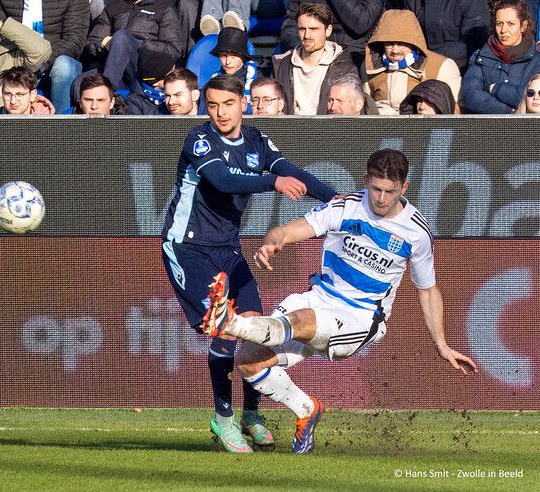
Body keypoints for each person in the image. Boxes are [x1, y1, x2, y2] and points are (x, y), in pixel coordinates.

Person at [200, 148, 478, 454]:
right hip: (320, 297)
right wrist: (272, 242)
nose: (381, 199)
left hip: (360, 318)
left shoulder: (417, 233)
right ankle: (307, 409)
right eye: (376, 189)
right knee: (248, 363)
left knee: (301, 320)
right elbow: (288, 230)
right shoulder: (345, 206)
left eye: (390, 191)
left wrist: (441, 344)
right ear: (366, 181)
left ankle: (230, 322)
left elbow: (427, 290)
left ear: (404, 188)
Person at [161, 74, 337, 453]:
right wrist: (272, 181)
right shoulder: (200, 139)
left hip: (227, 248)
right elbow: (222, 180)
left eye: (228, 103)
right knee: (224, 331)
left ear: (242, 102)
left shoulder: (256, 140)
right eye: (213, 105)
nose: (221, 112)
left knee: (255, 329)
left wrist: (340, 203)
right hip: (188, 248)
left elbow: (295, 173)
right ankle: (223, 419)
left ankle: (251, 414)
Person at [0, 0, 89, 113]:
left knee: (64, 66)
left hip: (55, 61)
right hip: (17, 61)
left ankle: (61, 123)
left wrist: (41, 63)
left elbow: (75, 40)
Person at [363, 9, 462, 115]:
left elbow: (454, 112)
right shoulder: (369, 67)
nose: (395, 51)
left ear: (413, 43)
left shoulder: (443, 66)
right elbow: (363, 105)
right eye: (389, 44)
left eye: (402, 44)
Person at [272, 2, 358, 115]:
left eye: (313, 29)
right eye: (302, 29)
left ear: (328, 30)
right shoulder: (281, 65)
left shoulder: (345, 67)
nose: (307, 35)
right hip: (289, 130)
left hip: (328, 130)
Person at [460, 0, 540, 114]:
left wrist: (495, 88)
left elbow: (532, 95)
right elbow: (471, 95)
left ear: (523, 26)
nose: (503, 30)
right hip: (487, 128)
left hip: (527, 128)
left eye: (510, 24)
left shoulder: (537, 60)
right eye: (499, 24)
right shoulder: (480, 57)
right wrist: (509, 111)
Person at [85, 0, 183, 91]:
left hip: (145, 70)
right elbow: (92, 42)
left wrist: (138, 44)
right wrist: (102, 47)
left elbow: (173, 50)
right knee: (80, 82)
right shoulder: (114, 6)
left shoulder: (164, 7)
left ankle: (107, 91)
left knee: (122, 37)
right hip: (114, 65)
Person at [280, 0, 386, 69]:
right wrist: (299, 53)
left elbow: (360, 23)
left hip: (355, 57)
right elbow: (290, 27)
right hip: (313, 57)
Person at [400, 0, 490, 73]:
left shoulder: (473, 2)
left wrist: (429, 58)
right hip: (418, 66)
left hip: (460, 69)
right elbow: (405, 32)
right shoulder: (413, 2)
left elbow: (472, 43)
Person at [209, 27, 257, 112]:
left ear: (243, 57)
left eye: (233, 56)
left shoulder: (258, 82)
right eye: (223, 56)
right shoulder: (211, 83)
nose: (227, 62)